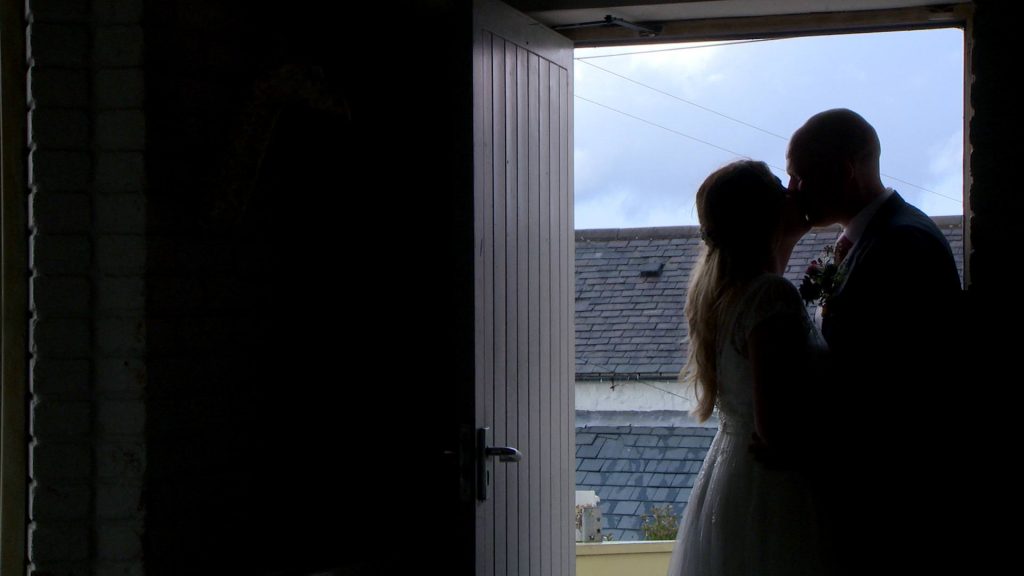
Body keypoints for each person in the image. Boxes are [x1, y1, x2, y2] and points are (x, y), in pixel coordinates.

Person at [785, 108, 963, 575]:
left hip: (893, 496)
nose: (793, 192)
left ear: (845, 171)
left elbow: (894, 386)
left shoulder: (904, 244)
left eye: (800, 177)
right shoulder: (870, 238)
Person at [667, 159, 827, 576]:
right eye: (780, 184)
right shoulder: (770, 296)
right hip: (775, 489)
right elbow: (778, 429)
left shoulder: (725, 293)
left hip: (733, 476)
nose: (794, 189)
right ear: (764, 214)